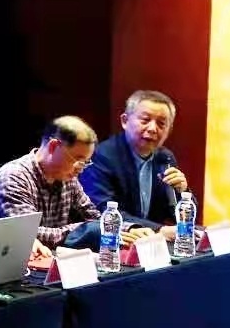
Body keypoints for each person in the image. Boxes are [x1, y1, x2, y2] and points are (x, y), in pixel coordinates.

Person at [0, 116, 109, 253]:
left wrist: (116, 228)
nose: (80, 169)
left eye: (85, 163)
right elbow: (27, 236)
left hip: (45, 258)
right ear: (53, 146)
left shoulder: (68, 178)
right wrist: (84, 230)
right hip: (1, 258)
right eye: (77, 160)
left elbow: (95, 217)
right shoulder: (13, 177)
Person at [80, 90, 189, 229]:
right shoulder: (102, 156)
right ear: (125, 121)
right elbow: (103, 210)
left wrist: (183, 191)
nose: (152, 129)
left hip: (152, 239)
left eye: (161, 123)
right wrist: (158, 230)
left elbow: (181, 216)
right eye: (145, 120)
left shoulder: (165, 158)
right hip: (115, 238)